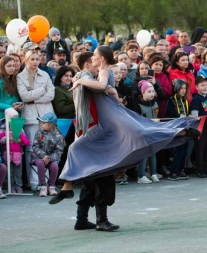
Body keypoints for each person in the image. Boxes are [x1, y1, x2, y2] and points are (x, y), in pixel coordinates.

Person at [49, 46, 198, 205]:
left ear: (102, 59)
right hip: (107, 119)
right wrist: (108, 89)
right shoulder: (100, 74)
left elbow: (100, 85)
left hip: (111, 117)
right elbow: (104, 87)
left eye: (95, 55)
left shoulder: (104, 71)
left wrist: (81, 80)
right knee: (77, 147)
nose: (92, 58)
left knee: (142, 132)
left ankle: (180, 132)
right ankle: (67, 187)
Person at [17, 50, 56, 191]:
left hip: (46, 115)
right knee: (31, 150)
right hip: (30, 117)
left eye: (37, 59)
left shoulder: (45, 74)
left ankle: (46, 181)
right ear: (26, 60)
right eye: (32, 59)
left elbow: (51, 94)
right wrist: (41, 90)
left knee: (47, 148)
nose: (35, 62)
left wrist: (34, 98)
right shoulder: (20, 77)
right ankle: (34, 182)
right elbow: (24, 96)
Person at [189, 76, 207, 178]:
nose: (205, 87)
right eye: (202, 85)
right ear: (196, 87)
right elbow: (194, 116)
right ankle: (200, 169)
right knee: (200, 149)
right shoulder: (196, 99)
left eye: (206, 85)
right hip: (201, 128)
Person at [133, 80, 160, 184]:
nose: (152, 94)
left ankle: (153, 173)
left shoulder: (155, 103)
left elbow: (158, 116)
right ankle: (141, 175)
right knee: (144, 154)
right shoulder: (138, 105)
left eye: (153, 91)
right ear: (142, 93)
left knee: (153, 153)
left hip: (154, 131)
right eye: (149, 91)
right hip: (143, 132)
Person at [31, 112, 64, 195]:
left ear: (50, 124)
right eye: (41, 122)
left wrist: (49, 157)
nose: (41, 124)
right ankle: (43, 186)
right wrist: (43, 156)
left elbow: (59, 151)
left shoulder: (58, 136)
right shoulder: (39, 133)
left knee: (54, 166)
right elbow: (35, 146)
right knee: (40, 163)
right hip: (38, 157)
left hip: (51, 158)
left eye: (43, 123)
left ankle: (51, 186)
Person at [0, 107, 30, 194]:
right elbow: (1, 140)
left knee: (18, 171)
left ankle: (18, 186)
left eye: (17, 117)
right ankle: (11, 186)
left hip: (18, 154)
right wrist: (8, 138)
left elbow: (26, 142)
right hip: (7, 153)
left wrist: (18, 139)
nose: (15, 119)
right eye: (13, 117)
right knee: (9, 172)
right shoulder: (3, 128)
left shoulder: (20, 129)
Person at [52, 66, 76, 176]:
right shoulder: (57, 89)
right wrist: (75, 103)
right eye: (66, 75)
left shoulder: (70, 89)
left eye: (70, 76)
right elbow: (61, 109)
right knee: (63, 152)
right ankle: (60, 177)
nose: (68, 78)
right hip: (63, 125)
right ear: (60, 76)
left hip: (72, 124)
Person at [165, 79, 191, 181]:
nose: (183, 90)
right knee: (177, 151)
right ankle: (173, 172)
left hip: (184, 128)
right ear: (176, 88)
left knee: (184, 150)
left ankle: (180, 170)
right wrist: (178, 115)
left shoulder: (185, 100)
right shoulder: (171, 100)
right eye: (181, 88)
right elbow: (168, 114)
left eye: (185, 88)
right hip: (175, 129)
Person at [0, 55, 23, 120]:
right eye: (9, 66)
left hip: (15, 117)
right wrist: (11, 107)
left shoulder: (15, 80)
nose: (12, 68)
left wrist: (19, 105)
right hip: (2, 118)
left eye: (13, 66)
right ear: (2, 67)